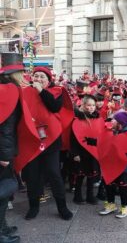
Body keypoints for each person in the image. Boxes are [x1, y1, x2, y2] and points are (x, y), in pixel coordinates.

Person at [21, 67, 73, 220]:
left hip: (51, 139)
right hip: (32, 140)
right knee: (32, 176)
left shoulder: (56, 91)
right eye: (35, 76)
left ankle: (62, 207)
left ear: (48, 80)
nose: (38, 78)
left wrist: (40, 91)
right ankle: (33, 207)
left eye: (42, 76)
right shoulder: (25, 92)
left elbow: (55, 107)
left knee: (54, 173)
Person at [0, 53, 25, 243]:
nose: (24, 76)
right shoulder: (9, 91)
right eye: (21, 73)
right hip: (2, 152)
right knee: (2, 193)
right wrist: (5, 155)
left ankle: (3, 226)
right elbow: (5, 128)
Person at [98, 111, 127, 218]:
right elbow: (105, 143)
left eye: (114, 119)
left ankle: (125, 207)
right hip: (111, 165)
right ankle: (111, 205)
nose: (111, 121)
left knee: (122, 188)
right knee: (109, 185)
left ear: (120, 123)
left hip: (124, 167)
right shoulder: (111, 132)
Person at [70, 95, 103, 205]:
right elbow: (73, 138)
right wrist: (75, 153)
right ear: (83, 105)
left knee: (92, 175)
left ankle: (90, 195)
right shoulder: (77, 119)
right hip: (81, 152)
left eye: (93, 105)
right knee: (80, 175)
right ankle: (77, 196)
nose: (92, 107)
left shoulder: (98, 118)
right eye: (89, 105)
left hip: (93, 151)